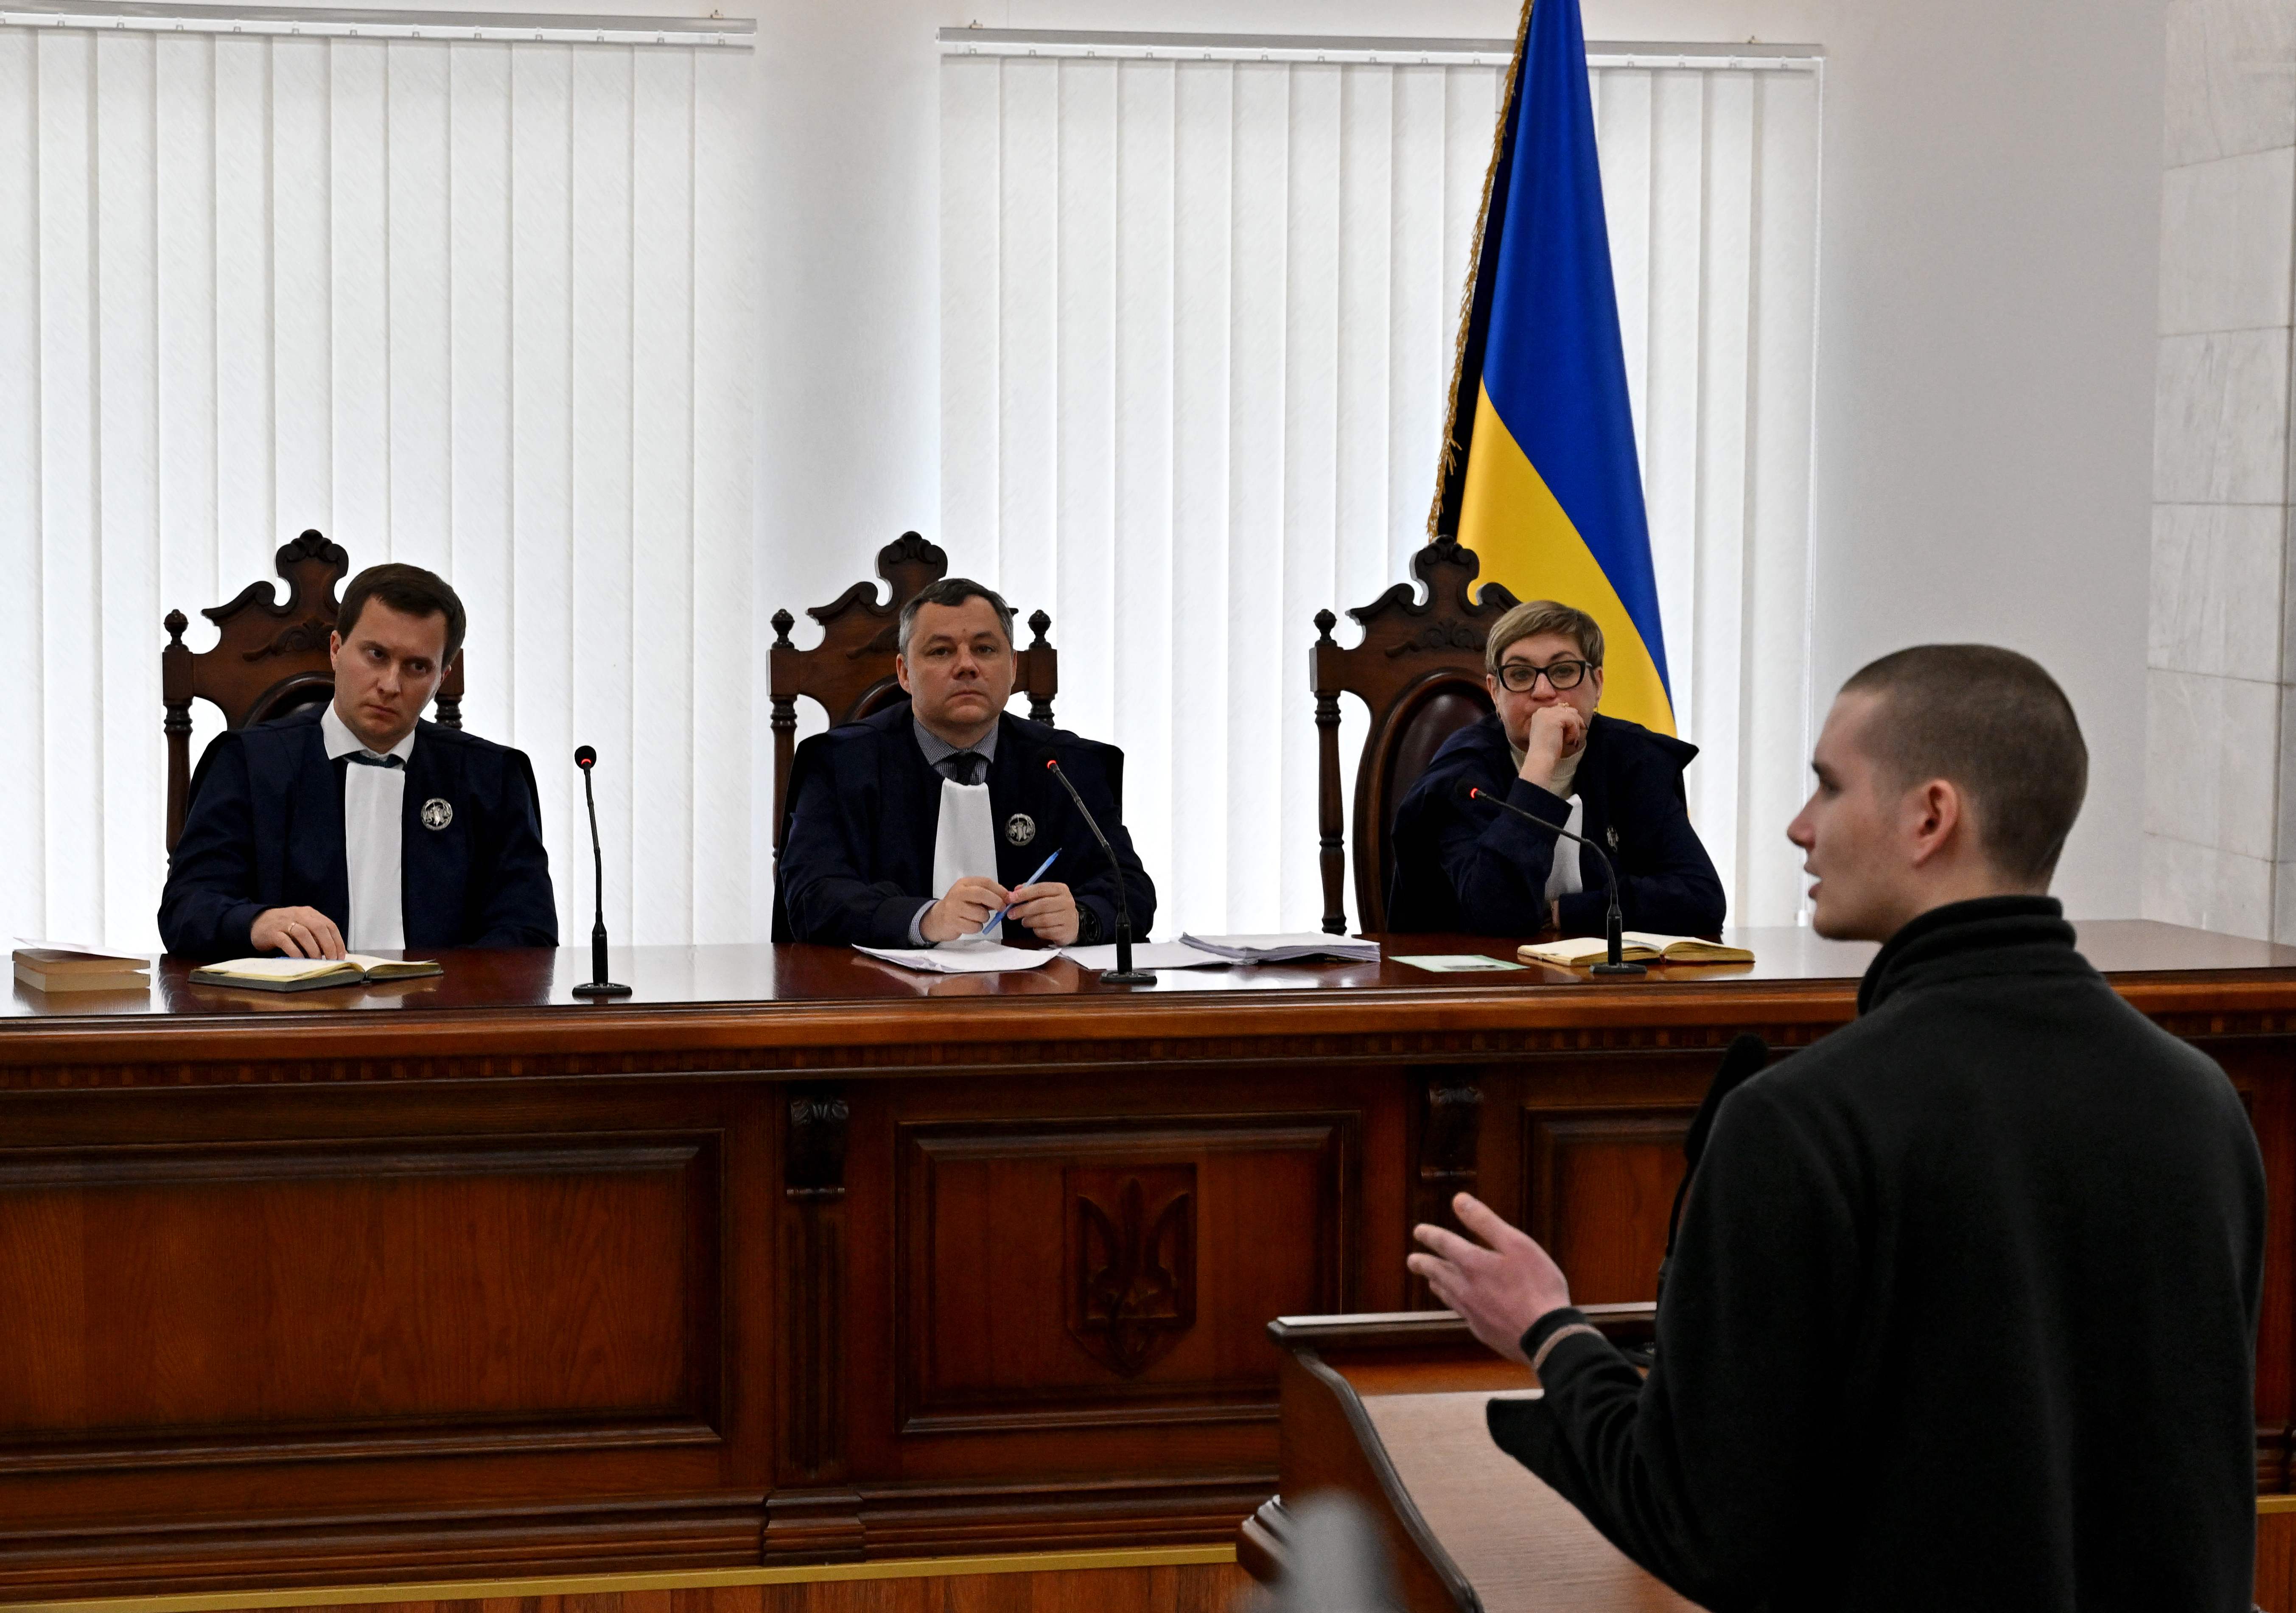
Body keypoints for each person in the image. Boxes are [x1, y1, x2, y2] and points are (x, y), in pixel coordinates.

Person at [1407, 645, 2265, 1610]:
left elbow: (1703, 1526)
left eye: (1827, 786)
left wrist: (1549, 1330)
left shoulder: (1799, 1122)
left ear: (1930, 815)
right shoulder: (2201, 1103)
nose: (1799, 827)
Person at [160, 564, 557, 961]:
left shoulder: (492, 777)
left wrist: (440, 989)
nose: (390, 685)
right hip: (293, 1017)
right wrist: (257, 922)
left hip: (441, 1013)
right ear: (336, 649)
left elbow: (528, 931)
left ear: (442, 677)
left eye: (417, 667)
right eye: (376, 655)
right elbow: (187, 908)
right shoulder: (245, 764)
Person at [773, 577, 1155, 948]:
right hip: (882, 1000)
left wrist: (1082, 918)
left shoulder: (1065, 766)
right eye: (941, 651)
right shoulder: (839, 764)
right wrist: (925, 919)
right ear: (905, 673)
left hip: (1033, 999)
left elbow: (1131, 890)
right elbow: (812, 896)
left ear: (1013, 668)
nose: (967, 666)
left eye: (986, 650)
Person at [1385, 599, 1723, 937]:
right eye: (1520, 675)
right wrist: (1540, 764)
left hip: (1607, 980)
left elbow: (1701, 898)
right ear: (1495, 693)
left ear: (1598, 685)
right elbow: (1494, 914)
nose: (1543, 691)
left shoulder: (1634, 759)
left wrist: (1570, 913)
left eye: (1563, 671)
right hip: (1475, 981)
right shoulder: (1465, 773)